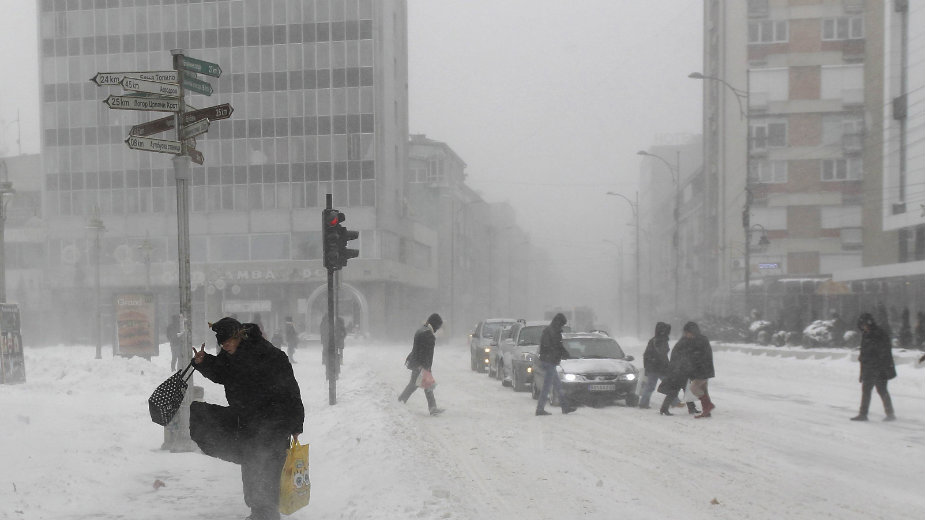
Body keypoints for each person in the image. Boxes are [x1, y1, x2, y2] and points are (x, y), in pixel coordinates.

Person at [189, 317, 304, 520]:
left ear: (239, 336)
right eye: (222, 344)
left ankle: (266, 513)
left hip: (274, 422)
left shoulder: (269, 355)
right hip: (249, 422)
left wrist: (296, 423)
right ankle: (259, 511)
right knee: (252, 465)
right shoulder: (230, 355)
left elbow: (291, 390)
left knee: (268, 467)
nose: (225, 346)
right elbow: (222, 373)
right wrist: (204, 361)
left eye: (228, 342)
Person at [851, 313, 896, 422]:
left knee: (880, 390)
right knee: (869, 390)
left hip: (879, 368)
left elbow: (883, 351)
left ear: (868, 323)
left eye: (864, 324)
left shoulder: (878, 334)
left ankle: (888, 413)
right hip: (870, 367)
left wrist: (874, 362)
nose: (863, 327)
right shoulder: (867, 334)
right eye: (862, 325)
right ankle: (865, 414)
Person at [398, 313, 445, 416]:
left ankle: (432, 407)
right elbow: (426, 353)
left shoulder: (421, 330)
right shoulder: (428, 335)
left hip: (416, 363)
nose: (438, 329)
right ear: (435, 324)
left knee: (426, 385)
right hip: (421, 365)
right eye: (438, 326)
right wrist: (426, 367)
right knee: (414, 385)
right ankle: (400, 402)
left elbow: (418, 350)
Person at [535, 313, 575, 416]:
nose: (562, 326)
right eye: (562, 324)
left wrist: (563, 353)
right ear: (558, 322)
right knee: (547, 387)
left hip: (550, 361)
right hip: (549, 361)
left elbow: (558, 346)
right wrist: (560, 353)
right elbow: (552, 346)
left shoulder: (553, 331)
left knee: (557, 385)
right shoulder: (550, 332)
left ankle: (565, 406)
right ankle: (540, 409)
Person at [683, 322, 716, 418]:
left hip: (702, 370)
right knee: (703, 389)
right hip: (704, 369)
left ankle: (708, 405)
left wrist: (692, 367)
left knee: (694, 388)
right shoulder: (699, 339)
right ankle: (706, 410)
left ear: (691, 332)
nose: (686, 335)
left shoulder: (698, 340)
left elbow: (698, 356)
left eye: (687, 332)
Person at [638, 322, 671, 409]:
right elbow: (662, 355)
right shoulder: (660, 341)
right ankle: (675, 402)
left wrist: (647, 367)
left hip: (653, 367)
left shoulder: (655, 340)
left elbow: (647, 355)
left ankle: (643, 403)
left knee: (650, 386)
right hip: (660, 367)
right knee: (668, 384)